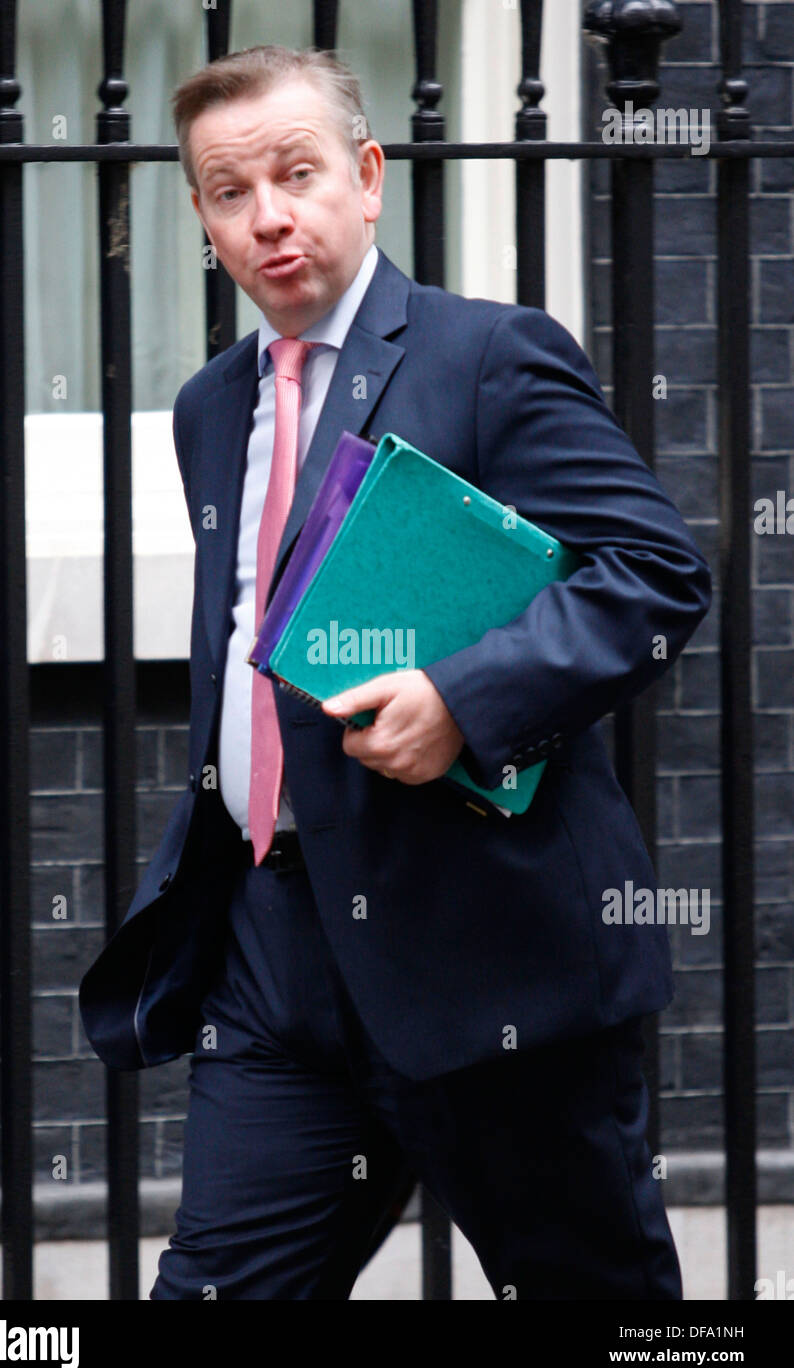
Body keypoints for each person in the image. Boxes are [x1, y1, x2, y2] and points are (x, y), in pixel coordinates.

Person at [79, 43, 713, 1300]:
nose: (268, 215)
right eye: (226, 191)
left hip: (486, 948)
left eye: (297, 173)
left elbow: (653, 573)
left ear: (367, 180)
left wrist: (462, 703)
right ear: (201, 220)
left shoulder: (487, 355)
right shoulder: (209, 408)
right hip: (275, 954)